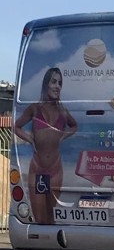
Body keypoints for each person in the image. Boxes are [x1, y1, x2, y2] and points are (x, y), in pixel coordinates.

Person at [14, 67, 77, 224]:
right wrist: (29, 139)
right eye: (54, 81)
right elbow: (16, 126)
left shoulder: (62, 111)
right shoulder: (34, 108)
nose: (57, 86)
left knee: (51, 217)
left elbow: (74, 126)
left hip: (56, 170)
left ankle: (51, 248)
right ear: (46, 84)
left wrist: (63, 136)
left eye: (60, 83)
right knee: (39, 219)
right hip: (37, 170)